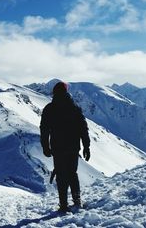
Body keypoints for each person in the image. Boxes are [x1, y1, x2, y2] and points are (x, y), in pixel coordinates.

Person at [40, 81, 90, 212]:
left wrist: (45, 146)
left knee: (61, 175)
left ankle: (63, 205)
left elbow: (44, 129)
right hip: (73, 147)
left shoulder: (49, 109)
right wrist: (86, 146)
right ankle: (77, 200)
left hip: (58, 148)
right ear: (66, 92)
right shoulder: (74, 108)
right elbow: (83, 129)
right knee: (72, 174)